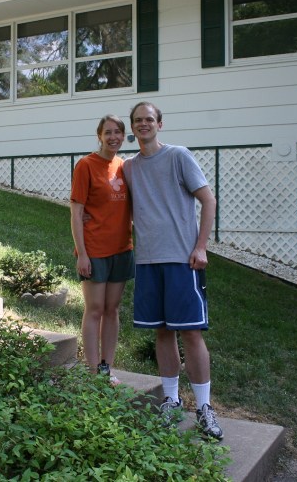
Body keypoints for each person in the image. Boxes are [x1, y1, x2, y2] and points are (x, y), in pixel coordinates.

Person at [122, 101, 223, 440]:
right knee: (162, 333)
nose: (143, 125)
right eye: (138, 121)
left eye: (149, 119)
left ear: (160, 124)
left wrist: (201, 246)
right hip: (148, 261)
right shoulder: (129, 168)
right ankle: (171, 401)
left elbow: (208, 199)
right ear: (132, 128)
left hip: (183, 260)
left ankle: (205, 409)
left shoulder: (179, 156)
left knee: (191, 333)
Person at [70, 115, 134, 384]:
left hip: (122, 248)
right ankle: (93, 369)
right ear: (99, 136)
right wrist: (82, 253)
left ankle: (107, 366)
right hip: (94, 249)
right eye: (108, 132)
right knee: (94, 308)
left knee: (113, 308)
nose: (113, 137)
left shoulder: (125, 167)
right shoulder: (86, 165)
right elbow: (76, 213)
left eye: (118, 132)